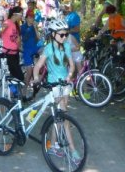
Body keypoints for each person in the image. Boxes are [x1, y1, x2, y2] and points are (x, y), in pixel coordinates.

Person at [32, 19, 81, 165]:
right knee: (64, 119)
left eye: (66, 34)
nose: (64, 37)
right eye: (61, 35)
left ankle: (53, 145)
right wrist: (36, 78)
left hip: (65, 84)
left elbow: (72, 65)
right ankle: (73, 151)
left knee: (59, 117)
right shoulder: (48, 49)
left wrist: (69, 75)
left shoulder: (66, 46)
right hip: (54, 85)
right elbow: (37, 66)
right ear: (53, 34)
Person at [0, 6, 24, 93]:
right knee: (19, 76)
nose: (22, 16)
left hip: (15, 53)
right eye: (21, 14)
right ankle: (11, 90)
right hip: (9, 53)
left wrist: (20, 47)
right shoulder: (7, 23)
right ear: (15, 14)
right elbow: (0, 31)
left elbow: (16, 39)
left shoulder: (15, 24)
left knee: (15, 76)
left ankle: (13, 94)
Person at [21, 9, 40, 95]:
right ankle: (24, 91)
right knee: (29, 72)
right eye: (30, 17)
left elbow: (38, 39)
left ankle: (38, 81)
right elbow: (24, 39)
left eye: (33, 17)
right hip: (27, 51)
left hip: (35, 49)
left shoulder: (34, 27)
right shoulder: (23, 27)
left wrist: (35, 28)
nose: (32, 19)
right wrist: (29, 29)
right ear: (26, 18)